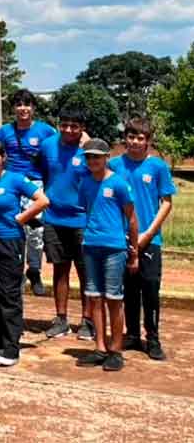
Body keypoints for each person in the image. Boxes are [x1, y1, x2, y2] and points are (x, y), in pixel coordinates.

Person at [0, 141, 49, 366]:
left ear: (3, 158)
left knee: (8, 293)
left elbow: (43, 200)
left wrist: (23, 218)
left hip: (9, 242)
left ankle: (11, 346)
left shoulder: (14, 179)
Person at [110, 118, 175, 361]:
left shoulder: (158, 167)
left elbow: (166, 203)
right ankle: (133, 335)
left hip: (150, 240)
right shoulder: (115, 165)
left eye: (140, 138)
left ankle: (153, 337)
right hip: (121, 239)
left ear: (148, 141)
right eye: (131, 137)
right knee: (128, 290)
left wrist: (149, 233)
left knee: (150, 290)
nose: (135, 142)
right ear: (125, 139)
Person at [75, 139, 139, 372]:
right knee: (94, 297)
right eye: (89, 157)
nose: (93, 161)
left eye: (97, 157)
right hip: (91, 246)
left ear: (106, 158)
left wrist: (134, 252)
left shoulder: (119, 184)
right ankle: (100, 347)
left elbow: (131, 219)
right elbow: (88, 210)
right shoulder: (84, 184)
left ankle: (116, 349)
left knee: (114, 298)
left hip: (114, 248)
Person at [0, 89, 57, 296]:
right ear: (13, 108)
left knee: (36, 232)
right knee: (13, 228)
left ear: (33, 108)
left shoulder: (46, 131)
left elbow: (61, 146)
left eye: (27, 104)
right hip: (11, 184)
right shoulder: (4, 132)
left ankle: (35, 269)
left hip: (34, 184)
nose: (23, 109)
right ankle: (16, 271)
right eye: (19, 104)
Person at [39, 108, 92, 341]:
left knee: (85, 272)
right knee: (60, 270)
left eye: (74, 126)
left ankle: (88, 321)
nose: (69, 130)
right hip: (53, 217)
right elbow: (40, 173)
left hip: (82, 219)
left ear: (82, 128)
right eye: (65, 125)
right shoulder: (48, 145)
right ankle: (61, 319)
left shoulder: (89, 149)